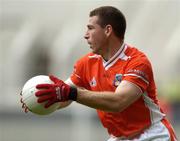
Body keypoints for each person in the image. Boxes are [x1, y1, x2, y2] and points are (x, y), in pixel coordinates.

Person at [21, 6, 177, 141]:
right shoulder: (86, 63)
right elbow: (64, 95)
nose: (85, 34)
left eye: (90, 28)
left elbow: (118, 102)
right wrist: (39, 99)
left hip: (152, 135)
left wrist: (72, 93)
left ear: (108, 30)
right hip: (119, 137)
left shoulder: (137, 62)